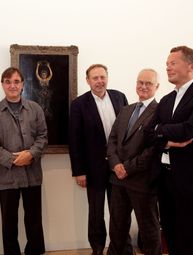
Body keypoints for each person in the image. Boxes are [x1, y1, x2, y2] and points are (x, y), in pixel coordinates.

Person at [69, 64, 130, 255]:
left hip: (118, 166)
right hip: (93, 169)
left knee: (120, 212)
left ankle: (122, 249)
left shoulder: (120, 97)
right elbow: (75, 140)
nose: (99, 81)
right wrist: (79, 171)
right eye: (95, 78)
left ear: (107, 78)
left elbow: (129, 132)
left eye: (102, 77)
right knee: (96, 213)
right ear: (87, 81)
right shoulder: (79, 104)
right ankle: (97, 249)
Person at [0, 67, 48, 255]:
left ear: (22, 84)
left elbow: (43, 136)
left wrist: (30, 154)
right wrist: (12, 159)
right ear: (2, 84)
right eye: (8, 81)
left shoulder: (35, 108)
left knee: (34, 220)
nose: (12, 85)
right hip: (7, 177)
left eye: (16, 81)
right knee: (9, 221)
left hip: (32, 174)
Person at [149, 46, 193, 255]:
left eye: (173, 63)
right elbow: (148, 134)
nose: (168, 67)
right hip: (165, 178)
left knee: (189, 237)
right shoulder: (166, 100)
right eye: (167, 64)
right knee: (170, 234)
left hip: (190, 179)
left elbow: (191, 129)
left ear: (191, 66)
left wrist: (160, 130)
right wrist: (167, 141)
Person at [106, 69, 161, 255]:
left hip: (142, 182)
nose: (143, 86)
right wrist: (115, 165)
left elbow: (153, 150)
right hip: (118, 180)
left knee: (149, 231)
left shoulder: (160, 112)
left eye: (148, 83)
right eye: (140, 82)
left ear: (157, 87)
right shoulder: (126, 110)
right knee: (117, 229)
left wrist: (127, 168)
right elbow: (112, 140)